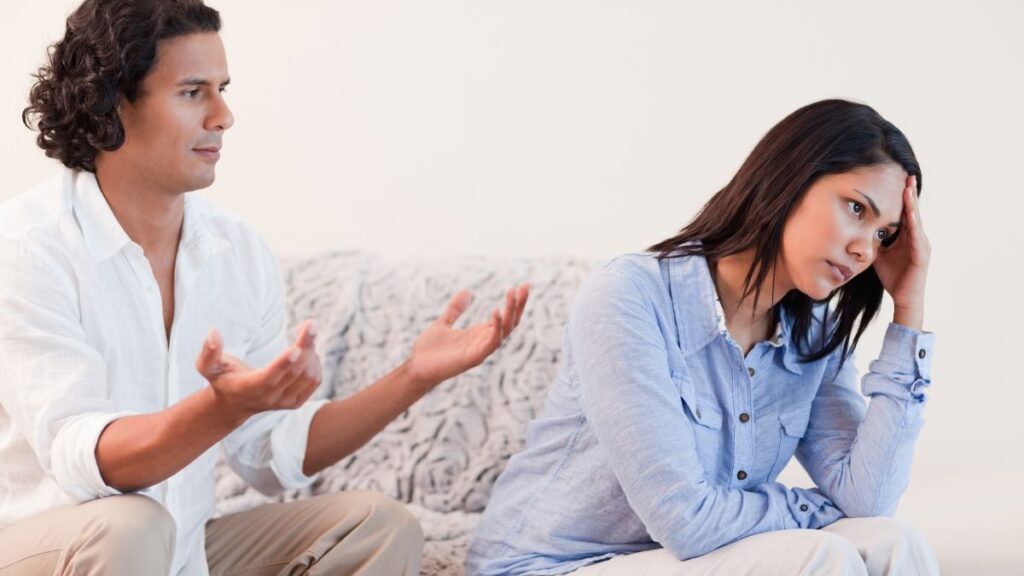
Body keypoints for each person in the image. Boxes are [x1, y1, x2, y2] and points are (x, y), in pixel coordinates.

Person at [0, 1, 529, 574]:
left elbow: (268, 455)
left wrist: (414, 376)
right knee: (132, 524)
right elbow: (88, 463)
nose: (223, 116)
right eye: (192, 92)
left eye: (223, 88)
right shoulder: (29, 246)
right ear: (112, 104)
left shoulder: (237, 251)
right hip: (55, 551)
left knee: (376, 526)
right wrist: (220, 408)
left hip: (183, 551)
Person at [466, 99, 939, 575]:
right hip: (552, 565)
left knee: (894, 540)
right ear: (791, 178)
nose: (864, 250)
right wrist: (813, 512)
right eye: (857, 209)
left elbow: (869, 498)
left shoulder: (813, 336)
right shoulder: (630, 295)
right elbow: (685, 519)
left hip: (693, 559)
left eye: (884, 235)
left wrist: (908, 308)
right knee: (820, 555)